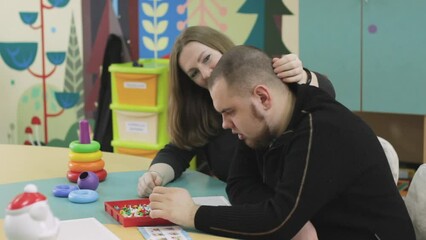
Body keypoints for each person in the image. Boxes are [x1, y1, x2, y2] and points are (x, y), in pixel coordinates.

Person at [148, 45, 415, 239]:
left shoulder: (319, 127)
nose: (224, 124)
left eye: (229, 112)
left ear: (263, 98)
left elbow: (277, 222)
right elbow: (240, 183)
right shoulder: (261, 125)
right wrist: (290, 220)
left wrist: (193, 213)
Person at [137, 26, 335, 197]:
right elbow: (178, 149)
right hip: (246, 205)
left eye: (207, 59)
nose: (206, 73)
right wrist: (155, 175)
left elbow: (324, 94)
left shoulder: (266, 74)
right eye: (194, 73)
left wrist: (303, 76)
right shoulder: (203, 111)